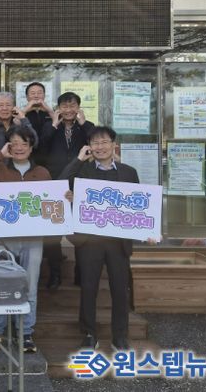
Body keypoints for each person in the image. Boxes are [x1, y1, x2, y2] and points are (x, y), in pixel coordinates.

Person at [59, 126, 144, 351]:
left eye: (105, 142)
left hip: (119, 241)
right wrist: (78, 159)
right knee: (88, 288)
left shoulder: (129, 172)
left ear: (114, 144)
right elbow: (61, 183)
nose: (100, 147)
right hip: (89, 240)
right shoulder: (83, 171)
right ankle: (89, 334)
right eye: (95, 143)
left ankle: (120, 336)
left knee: (120, 289)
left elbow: (139, 205)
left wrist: (148, 232)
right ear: (89, 147)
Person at [0, 126, 50, 354]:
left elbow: (51, 201)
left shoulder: (42, 173)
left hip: (33, 239)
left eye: (24, 144)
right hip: (4, 238)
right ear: (8, 145)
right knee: (0, 283)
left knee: (30, 287)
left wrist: (65, 197)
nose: (19, 148)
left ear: (31, 147)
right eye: (14, 143)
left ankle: (25, 333)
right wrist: (0, 154)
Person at [39, 91, 95, 290]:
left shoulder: (86, 127)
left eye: (72, 106)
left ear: (78, 108)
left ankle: (81, 272)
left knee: (80, 230)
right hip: (55, 182)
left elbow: (95, 142)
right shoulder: (50, 126)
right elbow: (41, 148)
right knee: (53, 233)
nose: (69, 110)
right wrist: (54, 125)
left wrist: (83, 123)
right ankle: (55, 274)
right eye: (65, 106)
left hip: (80, 183)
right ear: (58, 108)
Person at [22, 82, 54, 165]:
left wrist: (49, 110)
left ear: (44, 96)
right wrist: (25, 110)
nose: (36, 96)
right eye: (32, 93)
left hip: (49, 155)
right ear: (27, 97)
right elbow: (15, 123)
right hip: (28, 155)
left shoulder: (50, 112)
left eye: (39, 93)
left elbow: (59, 123)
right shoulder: (22, 113)